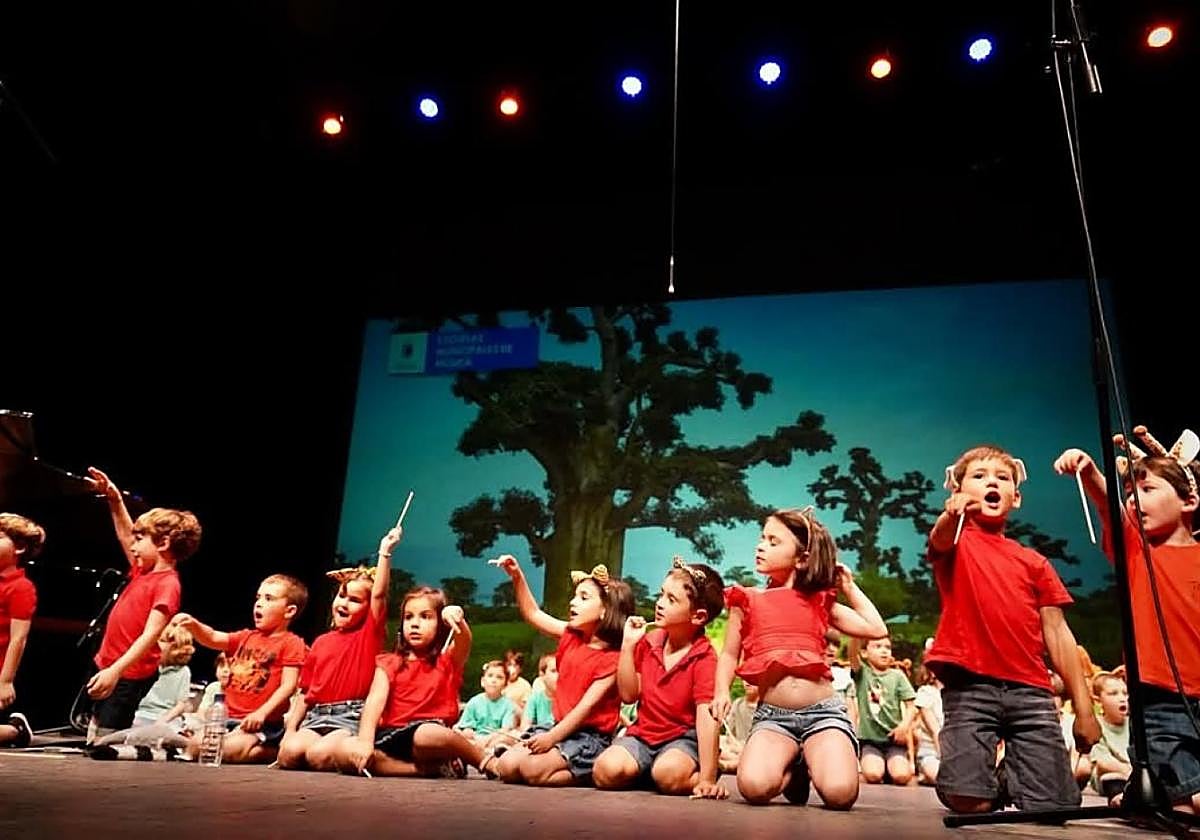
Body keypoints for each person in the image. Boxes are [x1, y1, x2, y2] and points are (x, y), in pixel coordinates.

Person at [927, 444, 1099, 813]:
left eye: (1002, 478)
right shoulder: (955, 544)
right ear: (958, 491)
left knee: (1054, 809)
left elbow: (1058, 633)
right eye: (979, 476)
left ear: (1015, 498)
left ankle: (1017, 776)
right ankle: (983, 780)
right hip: (970, 686)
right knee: (969, 802)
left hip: (1031, 691)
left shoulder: (1033, 562)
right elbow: (940, 540)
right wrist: (949, 515)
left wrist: (1085, 710)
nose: (992, 482)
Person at [1056, 426, 1200, 812]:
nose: (1135, 502)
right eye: (1132, 495)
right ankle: (1155, 794)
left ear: (1189, 501)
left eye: (1148, 491)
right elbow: (1109, 507)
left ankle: (1144, 795)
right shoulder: (1137, 552)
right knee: (1183, 792)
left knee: (1180, 795)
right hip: (1159, 697)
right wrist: (1089, 473)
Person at [711, 507, 888, 808]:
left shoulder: (818, 599)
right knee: (754, 788)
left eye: (773, 541)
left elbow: (875, 628)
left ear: (802, 558)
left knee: (840, 794)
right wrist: (721, 691)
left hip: (823, 714)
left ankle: (812, 759)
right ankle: (794, 770)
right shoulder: (747, 599)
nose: (761, 545)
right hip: (774, 718)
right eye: (762, 538)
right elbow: (729, 654)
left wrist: (848, 586)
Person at [490, 556, 635, 786]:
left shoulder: (612, 660)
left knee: (532, 771)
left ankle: (588, 769)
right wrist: (517, 576)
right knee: (506, 767)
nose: (573, 602)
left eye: (583, 597)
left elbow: (585, 708)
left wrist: (551, 739)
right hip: (559, 726)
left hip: (588, 736)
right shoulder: (572, 636)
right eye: (575, 596)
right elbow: (534, 615)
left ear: (605, 611)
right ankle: (561, 764)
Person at [592, 557, 726, 798]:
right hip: (643, 735)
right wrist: (628, 646)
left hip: (682, 739)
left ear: (698, 616)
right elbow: (629, 695)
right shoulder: (650, 642)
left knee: (669, 775)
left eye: (671, 599)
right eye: (661, 594)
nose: (660, 603)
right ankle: (651, 770)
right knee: (605, 771)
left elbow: (707, 720)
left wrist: (707, 777)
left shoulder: (703, 658)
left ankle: (703, 771)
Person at [85, 468, 201, 740]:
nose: (132, 546)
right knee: (94, 730)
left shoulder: (167, 583)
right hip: (108, 663)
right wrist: (114, 500)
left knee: (107, 737)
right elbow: (126, 535)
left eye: (140, 540)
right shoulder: (143, 571)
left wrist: (116, 671)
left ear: (163, 543)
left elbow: (150, 635)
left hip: (128, 672)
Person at [336, 587, 495, 779]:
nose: (415, 624)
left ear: (441, 624)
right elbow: (374, 702)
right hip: (393, 736)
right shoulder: (389, 662)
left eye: (425, 617)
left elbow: (464, 640)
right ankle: (423, 770)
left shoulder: (447, 660)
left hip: (430, 738)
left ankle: (484, 761)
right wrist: (365, 742)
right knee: (343, 750)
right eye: (409, 617)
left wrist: (456, 619)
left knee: (428, 734)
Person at [278, 526, 398, 772]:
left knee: (318, 756)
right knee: (289, 754)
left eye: (354, 600)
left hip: (350, 716)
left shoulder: (368, 635)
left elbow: (379, 595)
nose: (344, 603)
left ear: (367, 609)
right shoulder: (322, 641)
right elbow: (306, 691)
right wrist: (290, 730)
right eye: (342, 596)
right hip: (317, 716)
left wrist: (384, 553)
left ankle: (366, 753)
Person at [173, 574, 308, 764]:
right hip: (227, 719)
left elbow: (288, 686)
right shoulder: (245, 637)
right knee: (195, 745)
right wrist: (194, 625)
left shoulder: (291, 643)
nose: (259, 604)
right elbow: (212, 638)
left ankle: (270, 750)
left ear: (289, 611)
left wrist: (261, 713)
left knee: (228, 750)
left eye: (269, 599)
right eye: (258, 598)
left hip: (262, 724)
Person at [0, 513, 44, 748]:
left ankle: (15, 732)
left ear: (19, 547)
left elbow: (19, 637)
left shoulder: (21, 587)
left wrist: (5, 681)